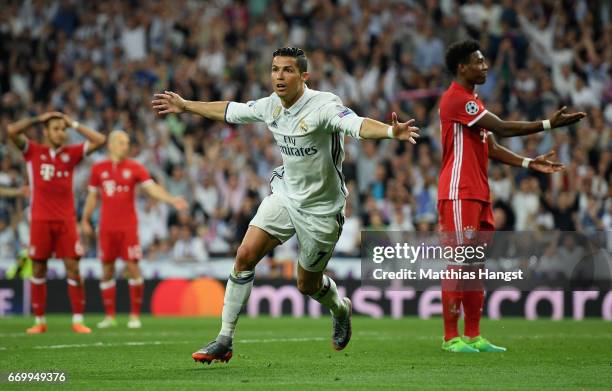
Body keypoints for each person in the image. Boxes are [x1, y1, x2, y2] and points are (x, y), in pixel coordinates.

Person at [152, 47, 420, 364]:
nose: (279, 76)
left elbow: (356, 124)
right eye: (275, 69)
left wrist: (391, 131)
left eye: (288, 70)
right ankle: (224, 339)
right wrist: (186, 106)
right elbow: (229, 110)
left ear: (303, 76)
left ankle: (340, 308)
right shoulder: (271, 106)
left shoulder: (324, 105)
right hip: (286, 195)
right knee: (245, 254)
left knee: (307, 284)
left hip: (322, 210)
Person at [438, 39, 586, 352]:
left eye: (484, 61)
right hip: (458, 191)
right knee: (459, 262)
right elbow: (504, 128)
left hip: (478, 192)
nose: (485, 66)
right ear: (462, 67)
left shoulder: (473, 102)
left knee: (475, 265)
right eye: (478, 62)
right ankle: (451, 338)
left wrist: (529, 162)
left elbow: (490, 145)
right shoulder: (456, 99)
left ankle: (474, 336)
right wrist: (548, 124)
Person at [7, 111, 107, 334]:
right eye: (56, 129)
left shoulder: (70, 154)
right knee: (39, 268)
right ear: (45, 131)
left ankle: (78, 320)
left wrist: (73, 123)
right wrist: (37, 119)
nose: (61, 133)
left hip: (65, 221)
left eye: (63, 129)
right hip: (40, 220)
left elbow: (100, 140)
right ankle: (39, 322)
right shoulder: (32, 151)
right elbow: (12, 130)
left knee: (73, 268)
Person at [81, 130, 188, 329]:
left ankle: (135, 316)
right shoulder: (98, 169)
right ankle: (110, 316)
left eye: (128, 142)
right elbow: (92, 197)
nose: (126, 146)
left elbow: (151, 188)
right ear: (111, 144)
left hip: (128, 227)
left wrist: (172, 199)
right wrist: (85, 219)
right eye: (122, 142)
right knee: (106, 270)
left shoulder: (135, 167)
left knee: (133, 268)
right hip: (106, 228)